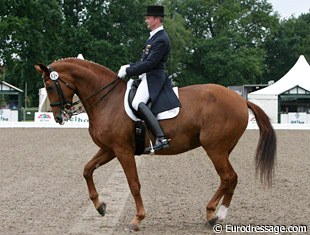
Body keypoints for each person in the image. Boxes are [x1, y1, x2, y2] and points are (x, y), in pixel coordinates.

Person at [118, 5, 180, 152]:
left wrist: (128, 71)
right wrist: (129, 65)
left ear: (157, 19)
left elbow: (150, 64)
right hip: (147, 75)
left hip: (154, 77)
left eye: (149, 18)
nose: (146, 20)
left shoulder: (161, 39)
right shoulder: (154, 36)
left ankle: (161, 138)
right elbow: (144, 61)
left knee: (137, 102)